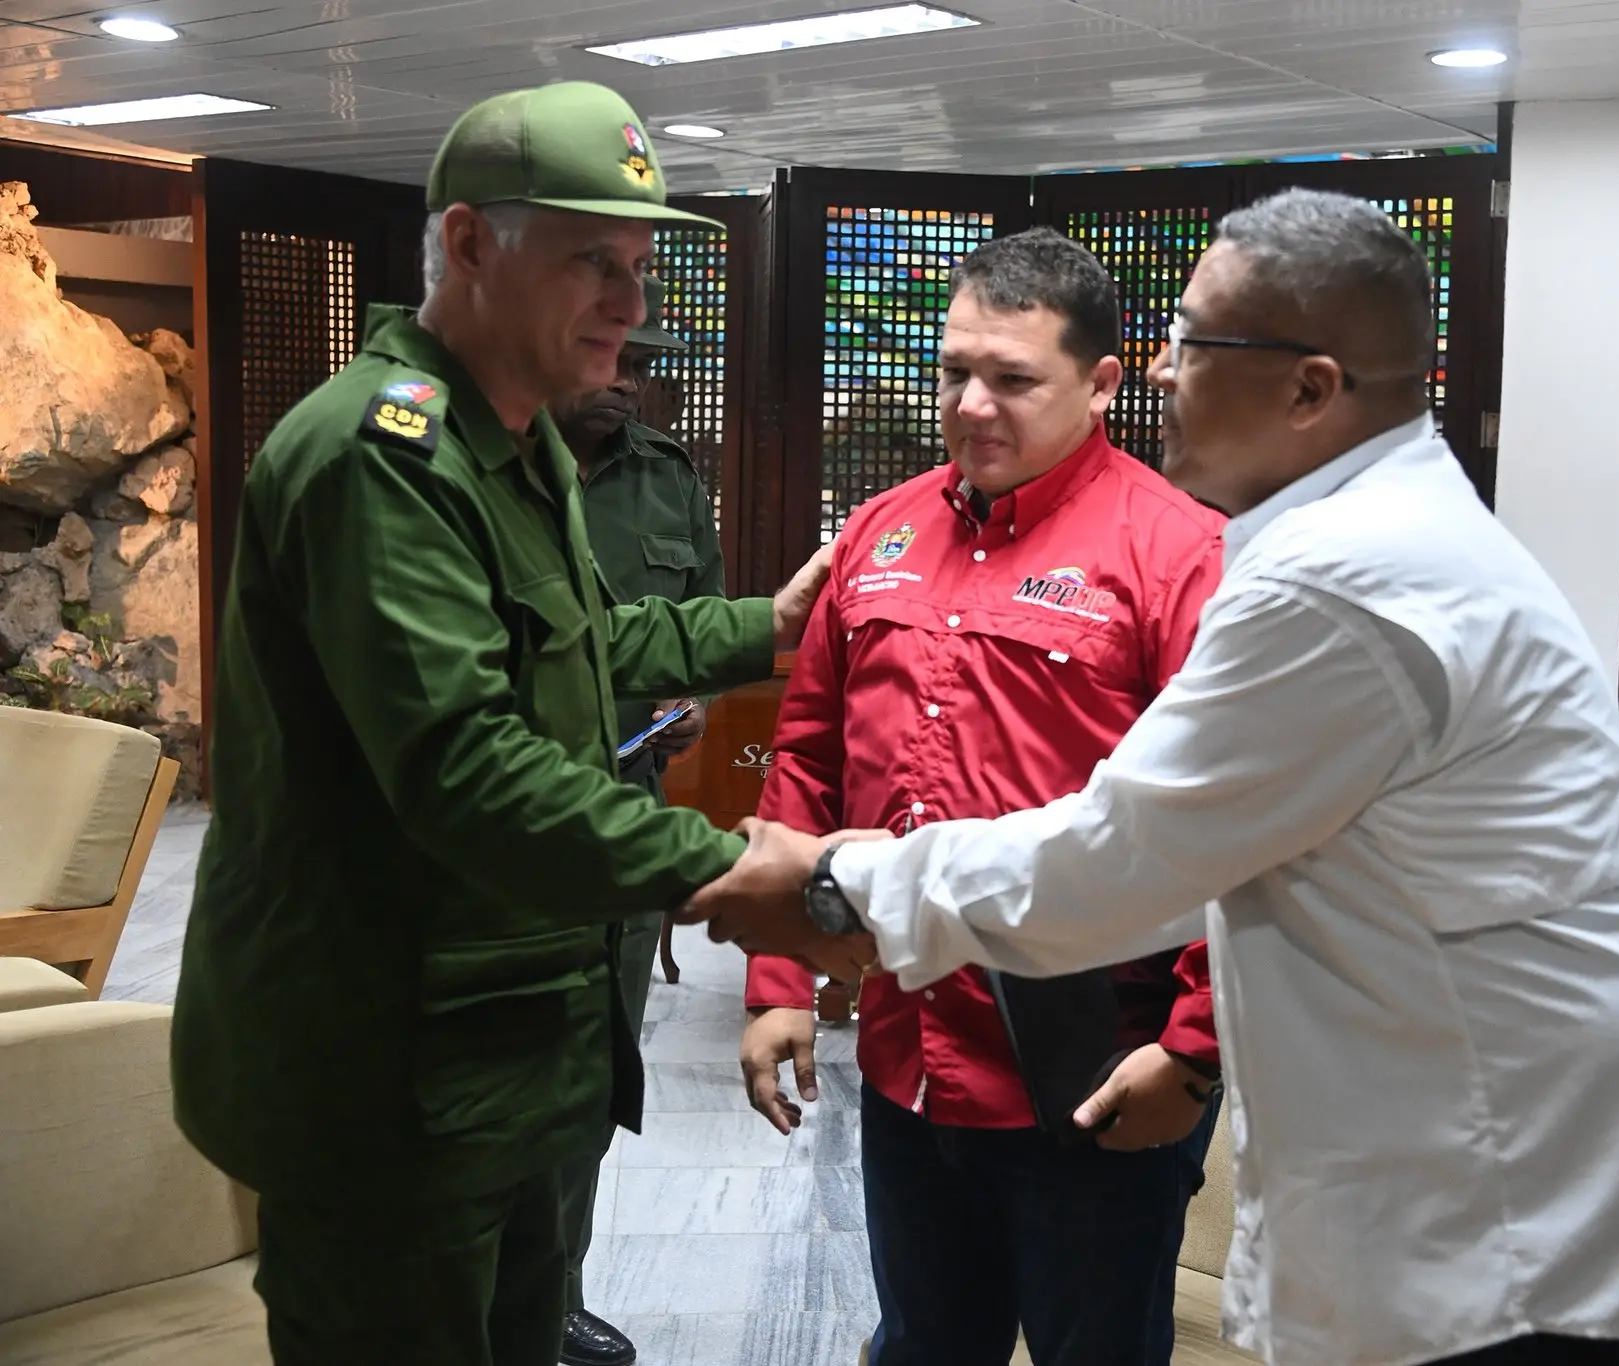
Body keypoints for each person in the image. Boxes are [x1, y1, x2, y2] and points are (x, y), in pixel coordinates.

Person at [682, 188, 1619, 1366]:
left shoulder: (1332, 581)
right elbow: (839, 754)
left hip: (1488, 1200)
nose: (1167, 373)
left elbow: (1125, 857)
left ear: (1309, 388)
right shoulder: (1364, 537)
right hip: (1468, 1156)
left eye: (1191, 345)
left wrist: (831, 885)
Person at [169, 81, 831, 1366]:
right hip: (387, 1072)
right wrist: (728, 867)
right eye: (592, 259)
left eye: (639, 265)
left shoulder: (513, 446)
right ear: (468, 243)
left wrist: (767, 629)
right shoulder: (381, 457)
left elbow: (591, 646)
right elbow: (464, 765)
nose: (630, 305)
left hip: (518, 1051)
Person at [740, 226, 1228, 1366]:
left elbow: (1238, 827)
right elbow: (807, 757)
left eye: (1012, 379)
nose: (970, 404)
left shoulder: (1178, 553)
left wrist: (1195, 1051)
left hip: (1095, 1066)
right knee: (919, 1344)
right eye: (954, 370)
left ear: (1104, 382)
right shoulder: (883, 528)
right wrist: (778, 978)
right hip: (908, 1048)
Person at [547, 276, 726, 1366]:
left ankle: (555, 1290)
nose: (628, 384)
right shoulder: (479, 472)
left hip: (624, 810)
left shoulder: (665, 480)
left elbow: (697, 622)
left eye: (645, 366)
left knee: (590, 1071)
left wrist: (693, 695)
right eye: (611, 358)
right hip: (503, 829)